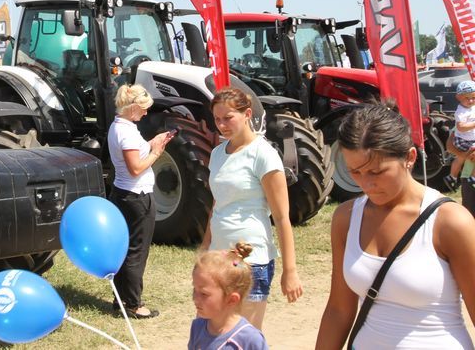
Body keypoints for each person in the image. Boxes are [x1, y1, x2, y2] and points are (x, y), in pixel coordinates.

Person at [316, 101, 475, 349]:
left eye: (377, 172)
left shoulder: (450, 221)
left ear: (410, 158)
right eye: (355, 172)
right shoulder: (346, 218)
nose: (366, 184)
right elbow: (338, 309)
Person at [200, 87, 302, 329]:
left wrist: (290, 271)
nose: (222, 125)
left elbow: (281, 217)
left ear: (247, 114)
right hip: (218, 260)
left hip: (251, 263)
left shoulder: (263, 154)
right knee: (211, 333)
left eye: (228, 118)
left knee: (243, 337)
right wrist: (204, 249)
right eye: (217, 119)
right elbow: (217, 204)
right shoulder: (217, 154)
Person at [108, 84, 174, 319]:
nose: (146, 113)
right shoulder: (126, 132)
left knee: (125, 250)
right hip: (137, 197)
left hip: (123, 193)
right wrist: (156, 152)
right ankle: (133, 304)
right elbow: (135, 167)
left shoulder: (119, 127)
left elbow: (135, 154)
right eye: (144, 109)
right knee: (137, 252)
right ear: (134, 107)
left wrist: (151, 143)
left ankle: (121, 300)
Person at [189, 241, 269, 350]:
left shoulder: (250, 339)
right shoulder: (197, 327)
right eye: (195, 289)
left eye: (204, 294)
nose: (195, 299)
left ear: (232, 300)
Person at [444, 80, 475, 191]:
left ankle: (452, 176)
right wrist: (464, 155)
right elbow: (460, 128)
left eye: (473, 97)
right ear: (459, 97)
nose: (471, 100)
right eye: (467, 98)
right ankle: (471, 177)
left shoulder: (472, 109)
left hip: (468, 140)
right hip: (464, 141)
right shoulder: (461, 112)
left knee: (460, 158)